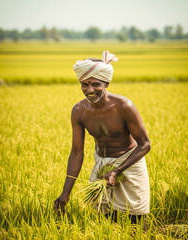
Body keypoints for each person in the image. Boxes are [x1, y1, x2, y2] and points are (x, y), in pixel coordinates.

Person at [54, 51, 151, 228]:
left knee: (138, 220)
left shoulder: (123, 106)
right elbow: (76, 153)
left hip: (130, 162)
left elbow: (145, 144)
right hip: (102, 165)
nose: (89, 90)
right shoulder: (79, 111)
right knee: (106, 221)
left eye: (95, 84)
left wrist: (118, 170)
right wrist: (65, 193)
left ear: (106, 83)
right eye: (84, 85)